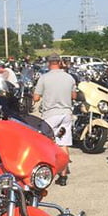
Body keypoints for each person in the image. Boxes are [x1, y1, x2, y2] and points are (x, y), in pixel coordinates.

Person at [33, 54, 77, 185]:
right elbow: (74, 96)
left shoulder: (44, 78)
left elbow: (36, 98)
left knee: (46, 143)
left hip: (50, 114)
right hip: (66, 113)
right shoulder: (69, 78)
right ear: (60, 62)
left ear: (48, 63)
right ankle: (63, 176)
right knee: (63, 143)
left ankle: (45, 171)